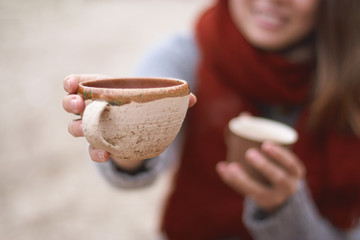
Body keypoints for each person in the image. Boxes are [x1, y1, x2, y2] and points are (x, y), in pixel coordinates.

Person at [62, 0, 360, 239]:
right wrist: (121, 135)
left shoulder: (352, 82)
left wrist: (283, 208)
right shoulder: (186, 55)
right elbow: (134, 176)